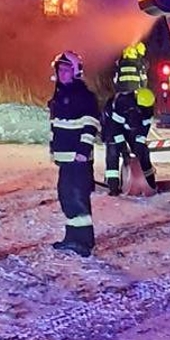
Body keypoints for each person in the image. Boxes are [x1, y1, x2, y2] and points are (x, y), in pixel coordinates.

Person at [48, 51, 101, 256]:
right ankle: (72, 237)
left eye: (66, 70)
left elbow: (91, 123)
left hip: (77, 158)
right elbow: (55, 126)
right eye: (60, 70)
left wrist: (83, 151)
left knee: (77, 197)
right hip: (65, 157)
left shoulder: (83, 96)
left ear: (76, 71)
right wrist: (54, 150)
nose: (62, 74)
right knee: (66, 196)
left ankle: (84, 242)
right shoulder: (61, 95)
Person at [105, 86, 158, 196]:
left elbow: (143, 131)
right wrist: (123, 149)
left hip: (129, 127)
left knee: (143, 152)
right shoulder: (122, 105)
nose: (144, 110)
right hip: (111, 125)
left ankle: (149, 182)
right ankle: (113, 186)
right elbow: (115, 128)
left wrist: (138, 147)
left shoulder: (148, 111)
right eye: (141, 108)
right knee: (113, 152)